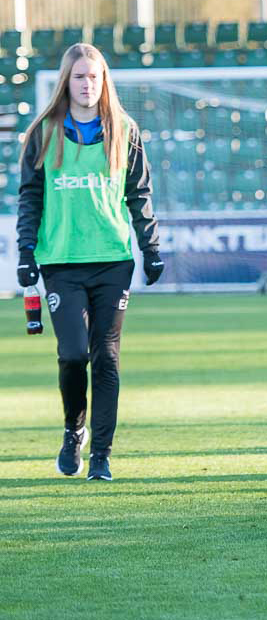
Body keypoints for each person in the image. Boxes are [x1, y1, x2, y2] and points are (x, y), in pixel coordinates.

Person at [16, 43, 163, 482]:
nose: (87, 84)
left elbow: (138, 194)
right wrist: (25, 253)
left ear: (104, 81)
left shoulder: (124, 129)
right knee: (73, 354)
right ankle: (73, 430)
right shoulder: (44, 132)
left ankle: (101, 455)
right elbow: (30, 197)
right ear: (66, 81)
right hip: (61, 262)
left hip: (112, 260)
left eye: (94, 76)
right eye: (79, 77)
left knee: (107, 358)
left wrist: (151, 248)